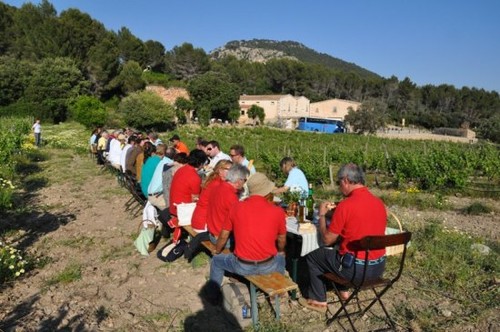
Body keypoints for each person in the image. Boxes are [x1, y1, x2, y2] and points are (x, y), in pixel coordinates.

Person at [299, 163, 387, 313]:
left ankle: (318, 300)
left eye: (339, 182)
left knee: (313, 255)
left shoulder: (346, 206)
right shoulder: (379, 203)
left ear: (346, 180)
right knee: (341, 248)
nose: (339, 186)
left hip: (356, 270)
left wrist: (321, 215)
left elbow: (327, 240)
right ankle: (343, 290)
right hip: (378, 268)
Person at [209, 172, 287, 287]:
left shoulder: (236, 207)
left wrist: (217, 250)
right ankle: (279, 289)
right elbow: (281, 238)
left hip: (242, 265)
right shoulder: (277, 211)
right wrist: (281, 250)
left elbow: (224, 235)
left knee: (216, 261)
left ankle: (213, 292)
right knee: (281, 257)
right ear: (267, 192)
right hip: (268, 265)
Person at [206, 164, 249, 247]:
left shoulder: (218, 187)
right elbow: (238, 221)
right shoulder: (231, 197)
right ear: (239, 181)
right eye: (245, 180)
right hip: (220, 238)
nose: (244, 183)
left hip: (212, 231)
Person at [191, 160, 233, 233]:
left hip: (198, 218)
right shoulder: (217, 184)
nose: (232, 173)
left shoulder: (213, 180)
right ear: (220, 170)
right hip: (203, 224)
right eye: (229, 170)